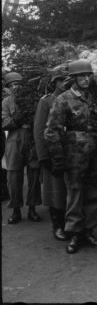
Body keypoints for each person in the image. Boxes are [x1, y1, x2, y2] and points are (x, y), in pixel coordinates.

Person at [44, 60, 97, 253]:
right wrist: (58, 158)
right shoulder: (63, 99)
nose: (85, 79)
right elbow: (51, 131)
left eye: (88, 75)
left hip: (95, 153)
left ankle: (89, 230)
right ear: (74, 78)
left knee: (94, 194)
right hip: (74, 155)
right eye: (81, 76)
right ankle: (75, 233)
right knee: (75, 194)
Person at [33, 66, 69, 240]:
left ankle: (73, 224)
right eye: (60, 80)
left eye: (66, 80)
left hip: (72, 152)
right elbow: (39, 129)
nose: (63, 83)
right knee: (56, 191)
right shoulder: (46, 101)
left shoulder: (73, 99)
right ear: (54, 82)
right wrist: (43, 156)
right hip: (53, 153)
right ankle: (58, 226)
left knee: (73, 190)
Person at [2, 71, 42, 224]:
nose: (15, 87)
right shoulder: (6, 102)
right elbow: (4, 123)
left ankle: (32, 208)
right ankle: (15, 210)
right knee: (13, 177)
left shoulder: (32, 99)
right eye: (12, 85)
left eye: (18, 84)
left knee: (34, 175)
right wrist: (18, 117)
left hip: (31, 139)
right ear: (7, 88)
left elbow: (39, 119)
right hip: (14, 140)